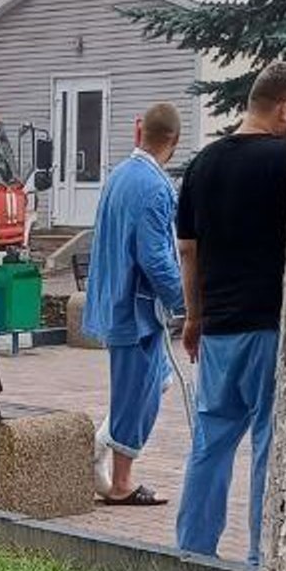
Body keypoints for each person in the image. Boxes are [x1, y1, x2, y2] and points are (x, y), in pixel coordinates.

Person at [176, 62, 286, 569]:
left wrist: (194, 316)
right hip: (270, 322)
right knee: (270, 443)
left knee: (211, 442)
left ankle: (193, 551)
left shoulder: (202, 164)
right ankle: (259, 556)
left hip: (219, 327)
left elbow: (187, 249)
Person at [83, 102, 184, 506]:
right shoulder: (155, 186)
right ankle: (120, 481)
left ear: (138, 131)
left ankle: (102, 448)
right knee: (135, 393)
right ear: (173, 141)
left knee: (156, 381)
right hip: (135, 308)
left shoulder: (120, 175)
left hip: (117, 298)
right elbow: (156, 257)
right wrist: (186, 302)